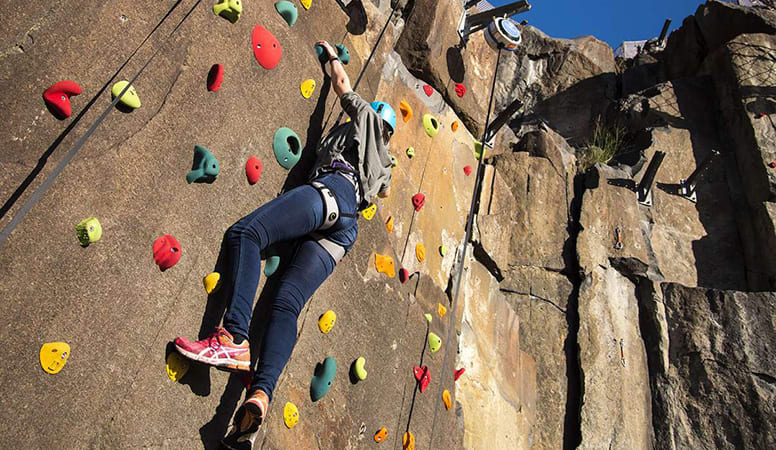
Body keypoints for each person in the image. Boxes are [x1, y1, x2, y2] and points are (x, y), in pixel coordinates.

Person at [172, 40, 395, 449]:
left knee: (248, 233)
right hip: (343, 233)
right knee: (286, 303)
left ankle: (234, 337)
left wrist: (330, 57)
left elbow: (343, 83)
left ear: (376, 118)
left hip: (332, 192)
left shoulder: (365, 117)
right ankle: (261, 394)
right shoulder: (385, 170)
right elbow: (375, 195)